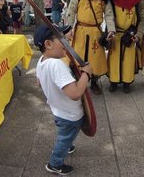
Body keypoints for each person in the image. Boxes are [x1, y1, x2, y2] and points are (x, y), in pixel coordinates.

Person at [34, 25, 92, 175]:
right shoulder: (57, 64)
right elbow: (75, 93)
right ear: (48, 44)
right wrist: (87, 74)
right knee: (66, 136)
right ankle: (55, 164)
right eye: (61, 39)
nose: (66, 41)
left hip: (58, 110)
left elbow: (38, 82)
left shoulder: (41, 61)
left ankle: (66, 144)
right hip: (70, 115)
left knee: (64, 133)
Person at [66, 0, 116, 95]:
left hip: (95, 31)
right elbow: (71, 11)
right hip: (80, 31)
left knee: (96, 59)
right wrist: (68, 28)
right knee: (78, 57)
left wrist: (111, 30)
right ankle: (78, 82)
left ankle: (94, 82)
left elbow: (109, 15)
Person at [107, 0, 144, 93]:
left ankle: (126, 82)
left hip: (130, 34)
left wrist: (138, 35)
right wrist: (110, 32)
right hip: (116, 34)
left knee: (128, 60)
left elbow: (142, 20)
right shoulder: (114, 0)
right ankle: (113, 81)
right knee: (114, 59)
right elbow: (110, 18)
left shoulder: (138, 0)